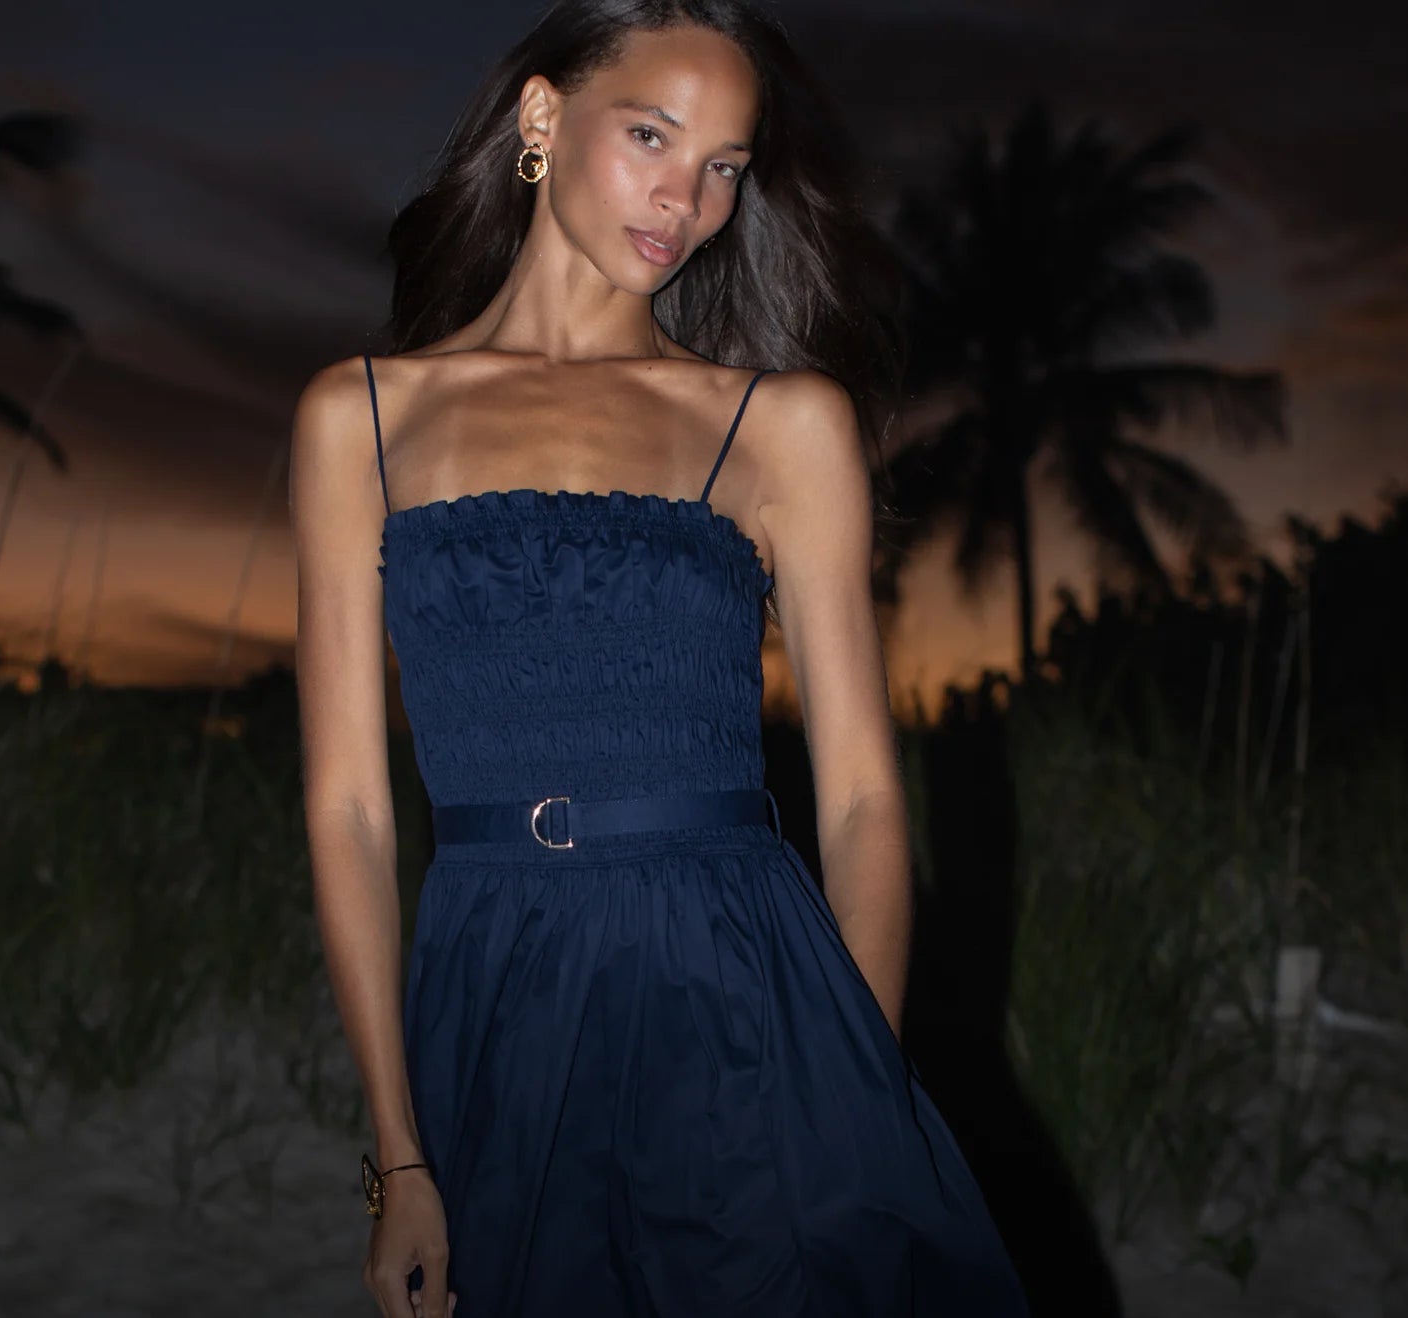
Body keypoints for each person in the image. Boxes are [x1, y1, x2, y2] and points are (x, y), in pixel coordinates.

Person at [289, 2, 1030, 1314]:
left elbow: (858, 793)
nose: (684, 197)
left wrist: (851, 1082)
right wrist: (396, 1151)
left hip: (738, 979)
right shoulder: (359, 419)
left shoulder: (779, 423)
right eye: (651, 135)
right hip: (492, 983)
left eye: (724, 166)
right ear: (540, 118)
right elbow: (347, 805)